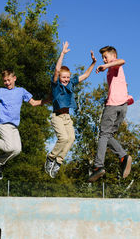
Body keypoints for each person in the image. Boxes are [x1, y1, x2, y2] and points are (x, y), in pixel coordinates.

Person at [45, 41, 97, 178]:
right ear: (59, 78)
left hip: (67, 118)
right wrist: (62, 53)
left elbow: (85, 75)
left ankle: (58, 162)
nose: (66, 79)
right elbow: (57, 70)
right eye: (64, 77)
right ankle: (50, 158)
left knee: (71, 138)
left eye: (67, 77)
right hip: (56, 116)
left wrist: (93, 63)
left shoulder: (71, 83)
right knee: (63, 138)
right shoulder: (56, 85)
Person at [88, 46, 134, 182]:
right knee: (108, 136)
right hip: (123, 106)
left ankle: (98, 166)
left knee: (103, 135)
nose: (104, 60)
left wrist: (106, 65)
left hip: (114, 105)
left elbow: (122, 61)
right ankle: (123, 157)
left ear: (113, 56)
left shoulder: (115, 65)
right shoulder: (112, 71)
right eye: (102, 57)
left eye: (105, 57)